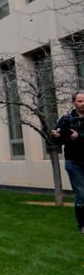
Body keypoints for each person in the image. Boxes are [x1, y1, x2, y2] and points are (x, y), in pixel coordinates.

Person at [50, 90, 84, 234]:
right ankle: (82, 225)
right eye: (80, 101)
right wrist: (56, 135)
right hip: (73, 162)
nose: (83, 104)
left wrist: (78, 136)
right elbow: (56, 141)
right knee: (81, 195)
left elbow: (78, 136)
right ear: (74, 102)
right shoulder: (66, 119)